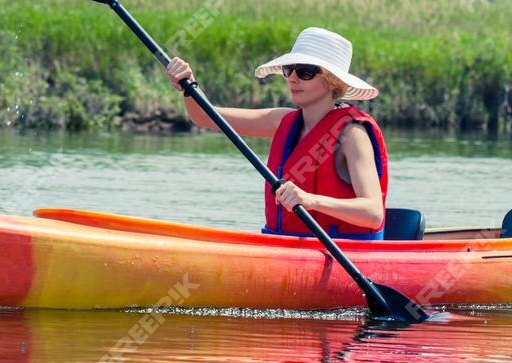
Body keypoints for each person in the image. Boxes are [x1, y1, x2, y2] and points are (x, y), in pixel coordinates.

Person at [165, 27, 389, 239]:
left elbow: (373, 213)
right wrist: (189, 86)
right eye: (288, 69)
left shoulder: (352, 135)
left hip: (344, 253)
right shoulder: (282, 121)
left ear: (333, 81)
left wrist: (310, 200)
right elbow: (204, 117)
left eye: (305, 72)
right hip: (283, 244)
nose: (292, 78)